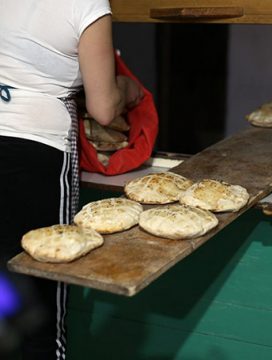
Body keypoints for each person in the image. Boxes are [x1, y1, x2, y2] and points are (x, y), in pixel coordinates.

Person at [0, 0, 143, 359]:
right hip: (36, 154)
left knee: (7, 299)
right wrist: (128, 88)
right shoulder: (86, 4)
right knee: (42, 309)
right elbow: (104, 109)